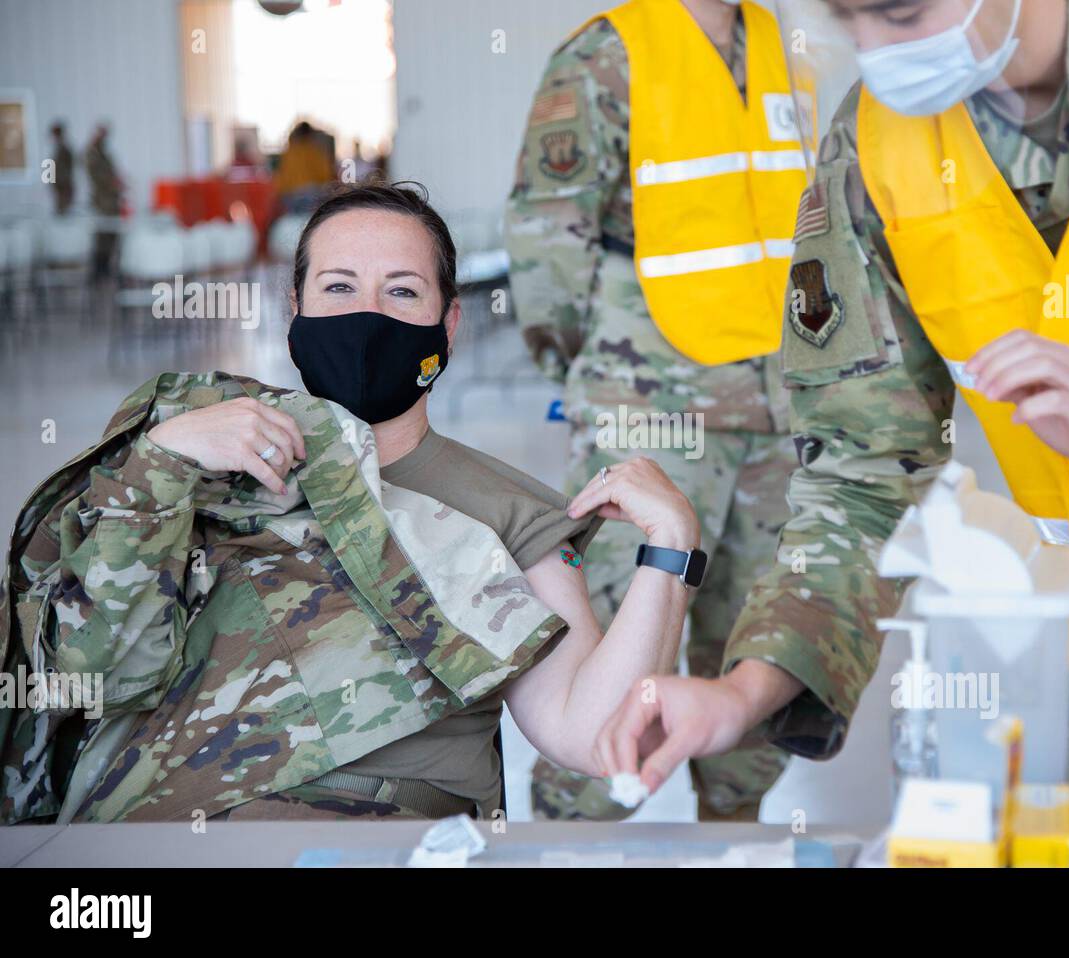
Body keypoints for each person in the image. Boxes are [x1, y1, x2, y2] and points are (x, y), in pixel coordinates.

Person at [595, 0, 1069, 865]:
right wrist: (745, 690)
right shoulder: (876, 147)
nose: (878, 56)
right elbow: (861, 467)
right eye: (848, 20)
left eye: (899, 12)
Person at [0, 182, 701, 824]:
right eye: (339, 287)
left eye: (401, 292)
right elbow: (87, 676)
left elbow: (586, 732)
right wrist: (161, 462)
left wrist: (670, 547)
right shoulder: (203, 464)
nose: (367, 314)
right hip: (173, 835)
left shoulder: (508, 510)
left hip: (373, 833)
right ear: (295, 310)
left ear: (448, 326)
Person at [505, 0, 808, 822]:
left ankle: (735, 834)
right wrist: (589, 371)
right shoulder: (610, 50)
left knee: (755, 652)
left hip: (776, 409)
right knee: (614, 662)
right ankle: (574, 840)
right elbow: (547, 237)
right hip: (651, 411)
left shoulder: (777, 41)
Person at [85, 123, 123, 278]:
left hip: (111, 200)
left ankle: (106, 267)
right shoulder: (92, 153)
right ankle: (100, 269)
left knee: (111, 236)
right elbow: (98, 176)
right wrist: (112, 182)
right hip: (103, 201)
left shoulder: (103, 153)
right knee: (102, 235)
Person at [273, 121, 335, 214]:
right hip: (310, 194)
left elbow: (282, 176)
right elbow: (325, 174)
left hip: (291, 196)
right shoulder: (314, 151)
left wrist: (280, 193)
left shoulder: (289, 153)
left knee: (294, 222)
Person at [48, 122, 74, 215]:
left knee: (63, 211)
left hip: (63, 184)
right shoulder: (59, 147)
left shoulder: (63, 148)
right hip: (60, 184)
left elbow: (65, 168)